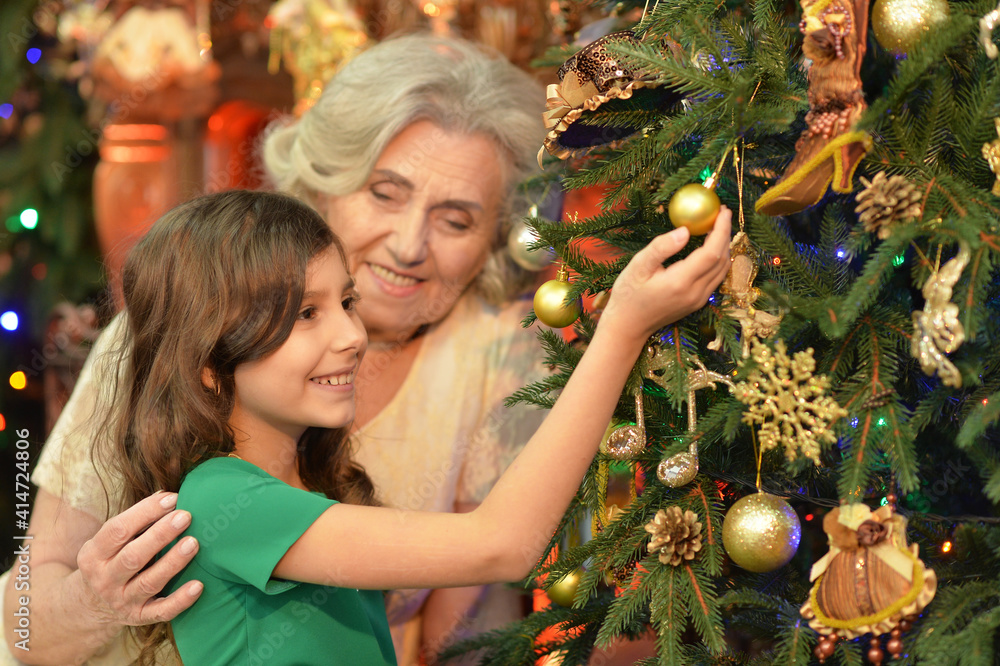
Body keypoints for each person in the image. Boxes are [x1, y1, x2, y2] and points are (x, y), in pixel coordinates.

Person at [110, 189, 731, 665]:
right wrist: (622, 328)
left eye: (346, 302)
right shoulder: (225, 499)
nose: (352, 336)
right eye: (306, 314)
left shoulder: (294, 492)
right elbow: (502, 544)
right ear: (210, 369)